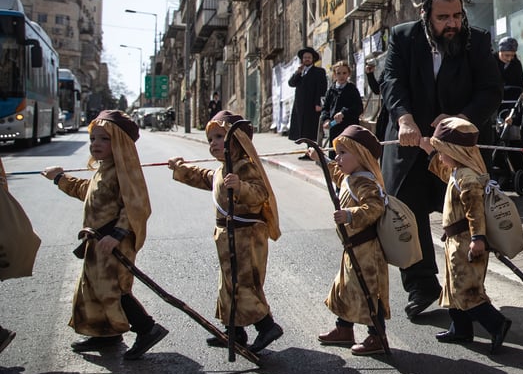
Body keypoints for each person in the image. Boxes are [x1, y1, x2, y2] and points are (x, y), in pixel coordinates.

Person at [378, 0, 503, 319]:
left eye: (457, 16)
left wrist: (458, 122)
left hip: (458, 144)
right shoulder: (404, 38)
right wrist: (404, 119)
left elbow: (491, 91)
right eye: (443, 18)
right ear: (425, 17)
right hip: (410, 139)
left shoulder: (476, 41)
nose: (452, 24)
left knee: (464, 213)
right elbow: (391, 81)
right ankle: (422, 285)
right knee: (403, 207)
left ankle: (467, 288)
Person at [41, 110, 169, 360]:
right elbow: (87, 191)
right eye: (93, 139)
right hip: (99, 242)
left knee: (115, 289)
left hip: (114, 242)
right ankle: (106, 333)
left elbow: (136, 205)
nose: (95, 145)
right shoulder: (105, 169)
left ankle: (147, 328)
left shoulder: (124, 171)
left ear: (119, 142)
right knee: (97, 287)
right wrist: (59, 178)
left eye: (104, 139)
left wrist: (118, 234)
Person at [166, 110, 284, 353]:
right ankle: (235, 331)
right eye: (211, 139)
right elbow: (206, 178)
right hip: (228, 236)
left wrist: (240, 187)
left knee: (243, 283)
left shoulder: (245, 167)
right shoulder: (222, 169)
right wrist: (180, 169)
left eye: (220, 137)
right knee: (228, 284)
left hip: (245, 234)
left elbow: (261, 192)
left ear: (237, 140)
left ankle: (266, 326)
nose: (213, 143)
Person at [420, 117, 512, 353]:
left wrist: (477, 238)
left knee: (466, 288)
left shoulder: (468, 178)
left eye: (442, 151)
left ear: (455, 151)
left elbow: (475, 212)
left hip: (466, 242)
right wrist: (429, 151)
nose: (440, 157)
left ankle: (497, 323)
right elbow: (443, 171)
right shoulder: (458, 171)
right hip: (455, 241)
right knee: (453, 285)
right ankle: (460, 329)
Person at [311, 125, 391, 357]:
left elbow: (375, 207)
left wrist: (350, 215)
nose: (338, 158)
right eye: (337, 152)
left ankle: (377, 335)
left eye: (344, 153)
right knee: (346, 288)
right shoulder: (350, 177)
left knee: (368, 292)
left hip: (366, 250)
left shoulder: (365, 182)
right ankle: (344, 329)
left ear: (361, 156)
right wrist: (320, 159)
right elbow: (335, 173)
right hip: (353, 248)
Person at [321, 60, 365, 159]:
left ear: (348, 74)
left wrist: (344, 113)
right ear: (334, 75)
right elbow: (325, 108)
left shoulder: (352, 89)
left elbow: (358, 108)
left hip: (349, 128)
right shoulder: (331, 90)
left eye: (344, 73)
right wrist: (326, 119)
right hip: (335, 128)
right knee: (335, 154)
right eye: (338, 73)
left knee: (349, 154)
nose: (341, 76)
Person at [288, 47, 328, 153]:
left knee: (312, 129)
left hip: (312, 105)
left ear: (313, 59)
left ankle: (314, 151)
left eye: (309, 57)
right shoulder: (301, 72)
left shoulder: (318, 72)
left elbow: (322, 89)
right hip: (300, 106)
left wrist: (319, 103)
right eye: (305, 57)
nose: (307, 59)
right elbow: (291, 83)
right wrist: (297, 73)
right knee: (303, 130)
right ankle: (308, 151)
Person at [495, 37, 523, 103]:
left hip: (511, 101)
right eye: (507, 55)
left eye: (512, 56)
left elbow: (520, 83)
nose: (509, 59)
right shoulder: (491, 61)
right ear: (500, 51)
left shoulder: (516, 63)